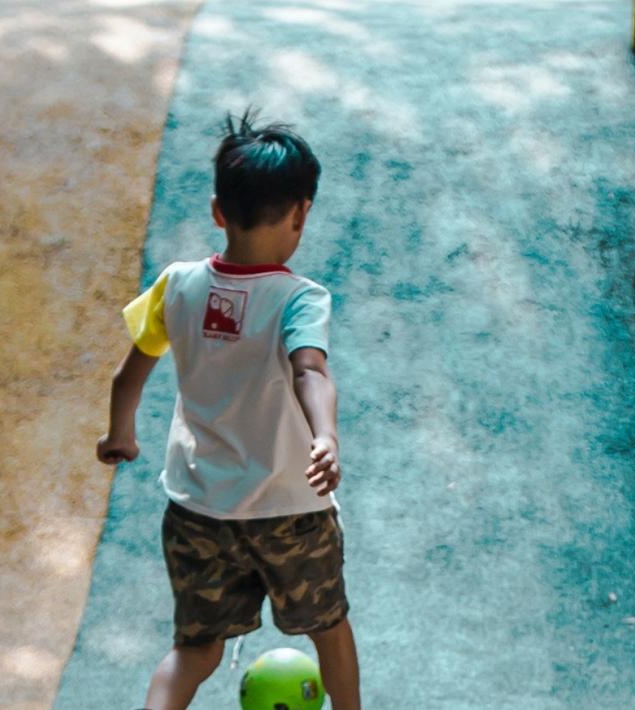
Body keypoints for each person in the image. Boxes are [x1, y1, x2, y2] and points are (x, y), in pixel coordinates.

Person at [97, 111, 359, 710]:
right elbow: (310, 370)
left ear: (218, 210)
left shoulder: (177, 285)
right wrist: (326, 437)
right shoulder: (299, 297)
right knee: (329, 630)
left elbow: (127, 375)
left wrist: (121, 436)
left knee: (195, 651)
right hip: (289, 509)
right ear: (301, 213)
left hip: (197, 510)